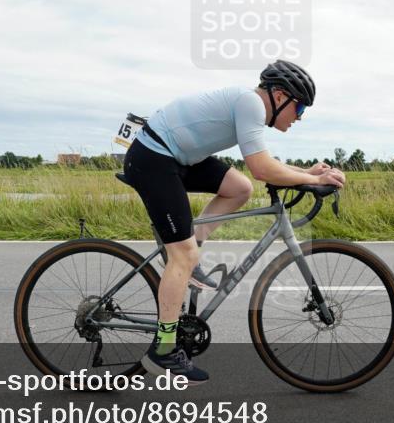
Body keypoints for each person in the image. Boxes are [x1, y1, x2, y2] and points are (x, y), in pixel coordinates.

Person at [122, 60, 346, 384]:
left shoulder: (249, 105)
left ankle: (190, 252)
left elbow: (262, 163)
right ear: (279, 96)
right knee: (182, 255)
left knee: (239, 188)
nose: (299, 117)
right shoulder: (250, 103)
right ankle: (164, 349)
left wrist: (306, 174)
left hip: (176, 155)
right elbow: (262, 168)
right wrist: (311, 179)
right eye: (299, 108)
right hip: (153, 157)